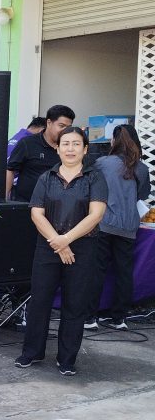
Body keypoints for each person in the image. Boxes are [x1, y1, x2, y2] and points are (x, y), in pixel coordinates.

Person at [15, 127, 108, 376]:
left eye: (76, 144)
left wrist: (66, 240)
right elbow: (36, 214)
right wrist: (58, 242)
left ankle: (67, 359)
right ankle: (32, 352)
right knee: (40, 300)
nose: (70, 149)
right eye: (65, 143)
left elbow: (96, 215)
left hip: (83, 247)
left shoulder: (95, 178)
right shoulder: (46, 178)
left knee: (75, 303)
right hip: (48, 246)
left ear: (85, 149)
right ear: (57, 148)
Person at [85, 125, 151, 331]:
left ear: (114, 141)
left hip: (103, 223)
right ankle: (119, 318)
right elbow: (142, 195)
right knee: (124, 272)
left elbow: (90, 186)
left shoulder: (103, 163)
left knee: (97, 271)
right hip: (129, 226)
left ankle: (90, 318)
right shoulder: (142, 168)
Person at [7, 105, 75, 202]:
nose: (65, 131)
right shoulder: (28, 143)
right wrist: (5, 199)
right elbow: (10, 170)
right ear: (49, 123)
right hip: (26, 204)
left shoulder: (70, 149)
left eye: (68, 127)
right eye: (61, 126)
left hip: (57, 206)